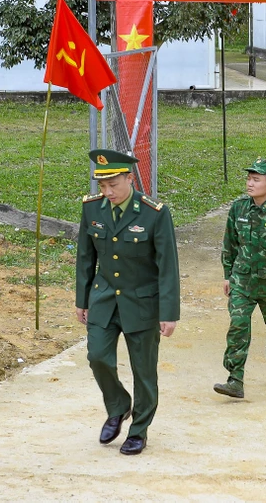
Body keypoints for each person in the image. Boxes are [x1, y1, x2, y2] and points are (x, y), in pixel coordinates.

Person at [75, 149, 180, 456]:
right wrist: (82, 299)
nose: (108, 193)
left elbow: (168, 266)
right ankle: (119, 406)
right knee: (97, 356)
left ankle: (139, 430)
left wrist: (169, 312)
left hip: (142, 303)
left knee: (143, 371)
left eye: (114, 186)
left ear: (129, 179)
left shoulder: (154, 213)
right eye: (103, 187)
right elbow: (85, 257)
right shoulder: (93, 209)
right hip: (104, 298)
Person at [214, 159, 266, 399]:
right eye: (249, 178)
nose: (250, 183)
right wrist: (227, 275)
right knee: (238, 326)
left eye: (256, 179)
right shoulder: (238, 208)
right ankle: (235, 378)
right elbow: (229, 244)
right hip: (242, 281)